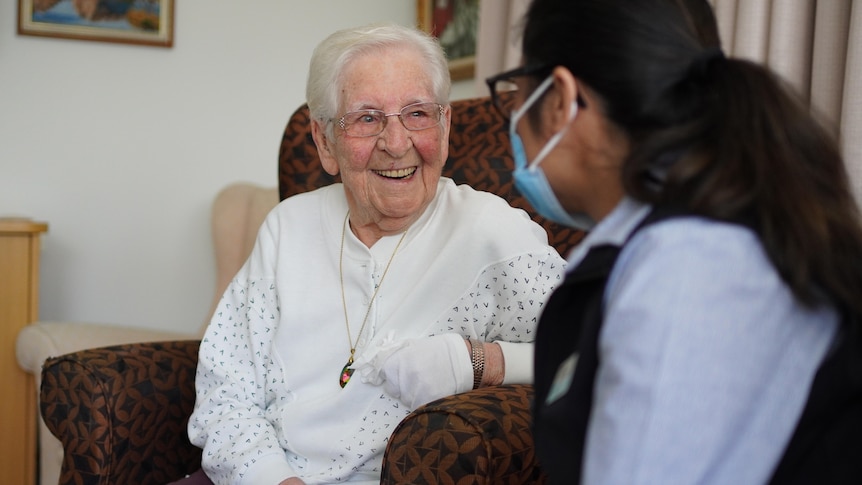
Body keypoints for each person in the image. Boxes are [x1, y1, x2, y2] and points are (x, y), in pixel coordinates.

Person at [484, 0, 862, 483]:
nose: (512, 119)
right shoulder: (681, 241)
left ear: (561, 98)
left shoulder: (689, 268)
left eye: (515, 93)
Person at [178, 23, 566, 485]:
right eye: (366, 118)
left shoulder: (491, 231)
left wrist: (480, 361)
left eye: (417, 114)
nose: (396, 143)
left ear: (444, 127)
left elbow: (599, 356)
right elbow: (226, 390)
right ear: (325, 142)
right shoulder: (288, 227)